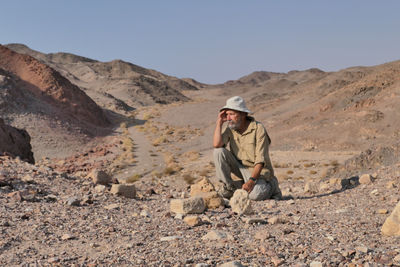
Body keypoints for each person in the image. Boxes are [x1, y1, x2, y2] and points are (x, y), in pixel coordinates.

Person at [213, 96, 282, 201]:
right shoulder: (231, 129)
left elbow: (260, 160)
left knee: (255, 196)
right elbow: (217, 145)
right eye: (227, 114)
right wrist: (219, 123)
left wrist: (251, 181)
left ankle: (272, 186)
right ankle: (229, 187)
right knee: (218, 152)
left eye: (231, 114)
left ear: (243, 114)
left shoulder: (258, 129)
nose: (228, 118)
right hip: (241, 169)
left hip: (259, 172)